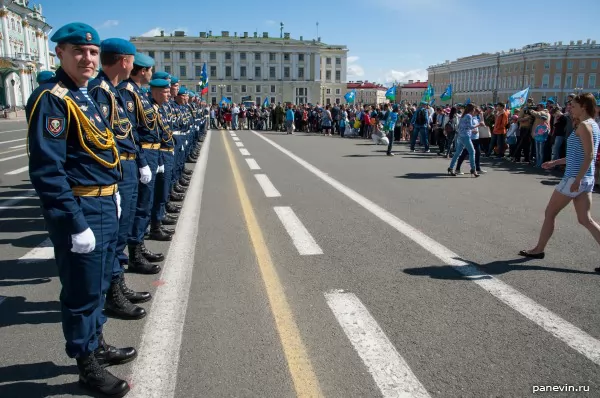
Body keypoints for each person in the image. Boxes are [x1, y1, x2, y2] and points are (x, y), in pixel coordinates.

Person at [26, 22, 133, 397]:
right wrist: (74, 222)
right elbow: (47, 170)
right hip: (81, 206)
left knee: (100, 280)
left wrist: (115, 186)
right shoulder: (52, 99)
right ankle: (86, 361)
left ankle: (97, 342)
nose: (87, 58)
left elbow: (104, 148)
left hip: (103, 200)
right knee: (81, 290)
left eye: (91, 52)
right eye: (78, 51)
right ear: (60, 54)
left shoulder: (84, 95)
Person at [88, 38, 150, 321]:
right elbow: (104, 138)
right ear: (126, 61)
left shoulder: (112, 91)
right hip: (115, 172)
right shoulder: (102, 91)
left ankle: (118, 286)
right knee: (114, 237)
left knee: (120, 232)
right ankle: (113, 294)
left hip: (124, 169)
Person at [519, 93, 600, 274]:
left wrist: (577, 180)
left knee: (550, 213)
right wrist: (555, 162)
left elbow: (589, 155)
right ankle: (538, 249)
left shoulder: (585, 126)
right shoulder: (592, 125)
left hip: (575, 178)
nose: (570, 107)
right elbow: (577, 155)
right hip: (584, 178)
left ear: (584, 106)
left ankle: (538, 249)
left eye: (573, 105)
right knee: (585, 219)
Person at [118, 56, 167, 274]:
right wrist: (142, 161)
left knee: (143, 205)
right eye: (149, 70)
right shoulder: (128, 91)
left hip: (149, 151)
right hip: (140, 153)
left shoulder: (138, 93)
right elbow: (132, 131)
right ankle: (134, 254)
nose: (151, 74)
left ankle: (138, 247)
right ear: (142, 70)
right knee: (136, 208)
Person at [448, 103, 483, 177]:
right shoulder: (469, 116)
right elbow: (470, 126)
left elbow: (461, 126)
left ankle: (451, 168)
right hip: (465, 136)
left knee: (458, 153)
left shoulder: (464, 115)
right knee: (472, 152)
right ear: (472, 109)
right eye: (474, 109)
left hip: (461, 136)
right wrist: (479, 124)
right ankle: (473, 169)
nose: (474, 111)